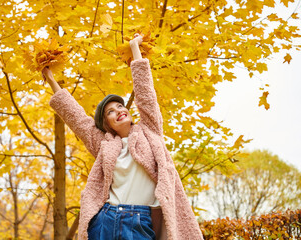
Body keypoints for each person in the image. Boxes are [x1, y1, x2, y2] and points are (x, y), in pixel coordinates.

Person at [42, 34, 203, 240]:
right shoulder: (105, 144)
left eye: (120, 106)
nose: (118, 110)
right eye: (110, 111)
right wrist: (51, 80)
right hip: (106, 220)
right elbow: (76, 119)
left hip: (139, 221)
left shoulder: (150, 131)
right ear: (106, 124)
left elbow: (145, 94)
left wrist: (135, 48)